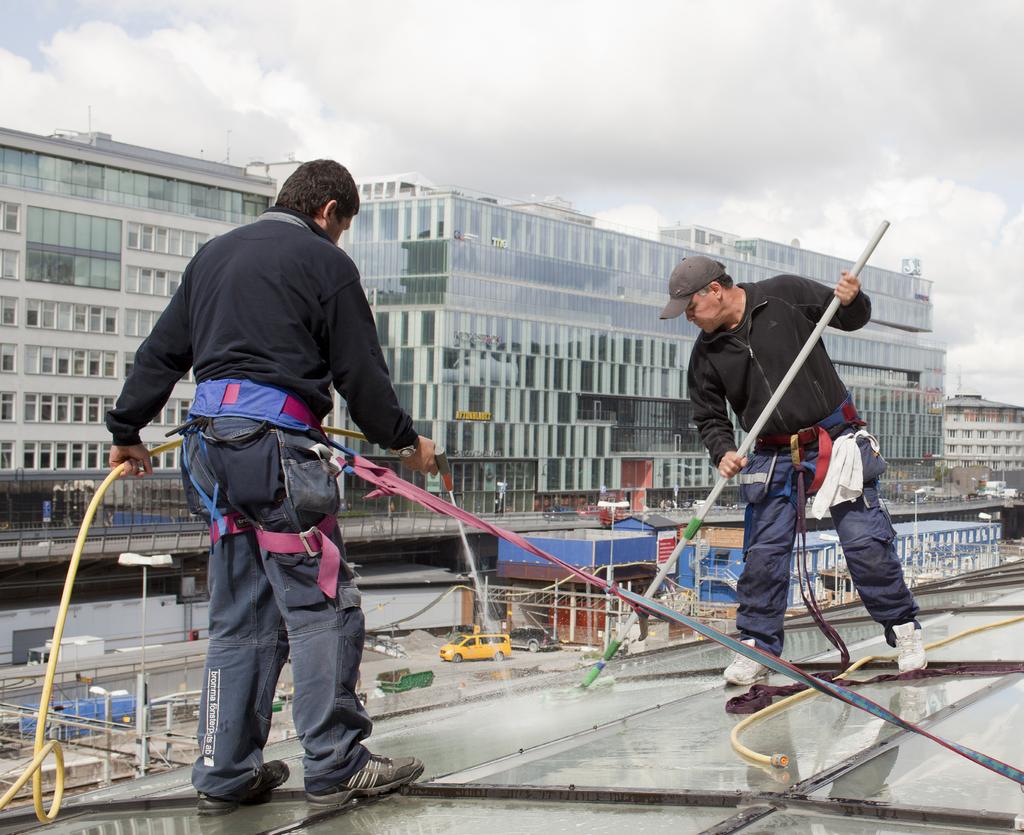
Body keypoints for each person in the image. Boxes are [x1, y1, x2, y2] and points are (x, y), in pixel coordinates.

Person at [106, 160, 437, 815]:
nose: (340, 239)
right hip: (275, 452)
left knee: (241, 614)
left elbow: (163, 352)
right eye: (343, 227)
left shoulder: (213, 256)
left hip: (210, 454)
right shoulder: (325, 263)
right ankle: (336, 762)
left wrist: (126, 427)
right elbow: (359, 373)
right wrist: (405, 439)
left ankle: (225, 770)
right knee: (322, 603)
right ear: (329, 212)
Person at [660, 255, 926, 686]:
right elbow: (709, 417)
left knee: (864, 541)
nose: (687, 317)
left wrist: (853, 300)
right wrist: (723, 451)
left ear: (715, 290)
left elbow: (849, 318)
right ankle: (758, 646)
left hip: (834, 438)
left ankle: (903, 628)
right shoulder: (707, 354)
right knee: (764, 556)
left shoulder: (783, 295)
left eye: (690, 306)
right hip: (770, 454)